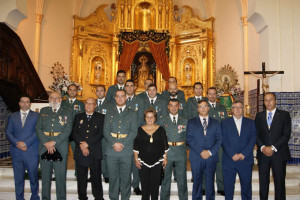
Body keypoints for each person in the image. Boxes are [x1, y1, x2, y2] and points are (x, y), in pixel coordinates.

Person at [36, 91, 73, 200]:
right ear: (49, 99)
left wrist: (53, 142)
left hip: (60, 147)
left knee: (60, 177)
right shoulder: (43, 111)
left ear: (61, 100)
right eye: (52, 98)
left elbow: (67, 130)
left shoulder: (67, 112)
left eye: (57, 98)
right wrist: (46, 143)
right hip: (44, 147)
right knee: (45, 177)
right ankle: (45, 198)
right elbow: (38, 128)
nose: (54, 100)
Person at [255, 92, 291, 200]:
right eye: (266, 100)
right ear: (264, 102)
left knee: (279, 183)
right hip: (263, 154)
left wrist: (273, 147)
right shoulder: (259, 116)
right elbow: (256, 134)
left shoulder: (284, 115)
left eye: (271, 99)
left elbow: (286, 134)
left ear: (275, 100)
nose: (268, 102)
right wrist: (262, 147)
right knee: (263, 183)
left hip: (279, 153)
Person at [103, 89, 138, 200]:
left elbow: (133, 132)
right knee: (113, 179)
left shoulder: (132, 113)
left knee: (126, 178)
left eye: (122, 96)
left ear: (126, 97)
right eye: (117, 96)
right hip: (111, 149)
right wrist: (114, 143)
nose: (120, 98)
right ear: (114, 98)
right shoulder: (109, 112)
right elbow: (106, 130)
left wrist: (122, 144)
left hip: (126, 150)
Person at [5, 95, 40, 200]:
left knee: (33, 177)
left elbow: (38, 131)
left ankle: (34, 197)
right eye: (22, 101)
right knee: (18, 178)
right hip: (17, 152)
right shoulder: (12, 116)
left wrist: (25, 143)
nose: (25, 104)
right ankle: (19, 198)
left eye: (27, 102)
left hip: (31, 151)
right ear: (19, 103)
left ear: (30, 104)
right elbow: (8, 132)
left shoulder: (37, 116)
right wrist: (17, 143)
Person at [186, 100, 222, 200]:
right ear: (197, 109)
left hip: (211, 157)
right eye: (200, 107)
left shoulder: (215, 122)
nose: (203, 108)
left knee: (210, 181)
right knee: (197, 181)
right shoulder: (191, 122)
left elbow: (219, 139)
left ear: (208, 108)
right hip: (196, 156)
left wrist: (209, 152)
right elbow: (189, 139)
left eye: (205, 106)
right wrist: (201, 151)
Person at [221, 100, 257, 200]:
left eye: (240, 107)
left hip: (245, 160)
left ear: (243, 109)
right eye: (235, 107)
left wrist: (243, 154)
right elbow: (223, 140)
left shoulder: (250, 123)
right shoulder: (224, 123)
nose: (237, 109)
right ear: (231, 109)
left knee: (246, 188)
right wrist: (232, 154)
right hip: (229, 160)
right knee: (228, 188)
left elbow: (253, 139)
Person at [72, 97, 105, 200]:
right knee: (81, 177)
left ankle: (98, 197)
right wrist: (82, 145)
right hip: (80, 150)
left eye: (92, 103)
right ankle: (82, 196)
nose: (89, 105)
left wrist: (88, 144)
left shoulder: (101, 117)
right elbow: (74, 132)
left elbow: (101, 133)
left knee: (96, 177)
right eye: (87, 103)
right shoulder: (78, 116)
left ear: (95, 105)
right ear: (84, 104)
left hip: (94, 150)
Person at [134, 108, 169, 200]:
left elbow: (165, 145)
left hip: (157, 161)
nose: (149, 119)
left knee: (155, 186)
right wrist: (136, 159)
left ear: (155, 118)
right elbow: (135, 146)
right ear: (144, 118)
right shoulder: (139, 130)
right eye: (147, 117)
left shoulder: (161, 129)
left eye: (152, 117)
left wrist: (165, 158)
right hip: (142, 161)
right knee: (145, 186)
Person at [160, 99, 188, 200]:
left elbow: (188, 136)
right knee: (166, 178)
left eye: (176, 105)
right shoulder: (162, 120)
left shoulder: (184, 120)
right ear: (168, 106)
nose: (174, 107)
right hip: (167, 152)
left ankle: (183, 198)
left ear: (179, 106)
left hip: (181, 151)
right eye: (171, 105)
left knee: (182, 178)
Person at [207, 86, 228, 196]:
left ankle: (221, 187)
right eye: (210, 94)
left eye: (214, 94)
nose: (212, 96)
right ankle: (205, 187)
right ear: (207, 95)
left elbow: (225, 124)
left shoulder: (222, 108)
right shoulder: (204, 107)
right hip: (208, 141)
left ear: (216, 95)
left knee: (220, 165)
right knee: (208, 166)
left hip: (219, 142)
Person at [124, 79, 144, 195]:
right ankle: (124, 185)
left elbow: (142, 117)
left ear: (135, 87)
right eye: (128, 86)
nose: (130, 88)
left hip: (136, 135)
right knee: (125, 162)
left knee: (136, 160)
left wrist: (134, 131)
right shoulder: (121, 98)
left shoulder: (140, 100)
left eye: (132, 86)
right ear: (125, 87)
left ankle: (136, 185)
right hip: (123, 136)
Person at [61, 84, 85, 177]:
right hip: (64, 132)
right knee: (63, 153)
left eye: (74, 90)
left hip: (76, 132)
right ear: (67, 91)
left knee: (77, 154)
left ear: (77, 92)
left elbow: (83, 118)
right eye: (70, 90)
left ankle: (78, 173)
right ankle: (61, 173)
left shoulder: (81, 104)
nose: (72, 91)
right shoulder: (62, 103)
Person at [95, 85, 113, 183]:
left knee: (105, 155)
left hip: (105, 134)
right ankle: (95, 173)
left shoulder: (110, 104)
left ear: (105, 92)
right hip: (94, 135)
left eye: (101, 91)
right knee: (94, 155)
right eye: (98, 91)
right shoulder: (92, 103)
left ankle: (106, 174)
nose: (99, 92)